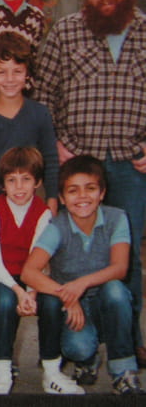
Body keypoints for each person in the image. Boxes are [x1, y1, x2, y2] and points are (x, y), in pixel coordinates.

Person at [35, 0, 146, 365]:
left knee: (126, 258)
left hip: (131, 165)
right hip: (77, 166)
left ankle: (127, 341)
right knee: (71, 253)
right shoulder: (66, 32)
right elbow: (42, 95)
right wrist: (56, 144)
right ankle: (77, 333)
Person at [22, 156, 145, 395]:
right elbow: (29, 272)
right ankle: (87, 360)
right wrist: (68, 296)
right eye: (73, 190)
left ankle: (123, 372)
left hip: (106, 301)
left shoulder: (116, 217)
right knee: (78, 348)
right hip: (73, 305)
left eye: (90, 189)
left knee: (116, 290)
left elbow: (120, 268)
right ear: (62, 198)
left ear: (102, 193)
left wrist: (81, 283)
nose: (82, 197)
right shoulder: (57, 227)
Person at [0, 147, 75, 394]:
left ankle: (51, 371)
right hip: (0, 276)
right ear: (2, 185)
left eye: (26, 179)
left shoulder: (43, 212)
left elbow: (38, 259)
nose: (19, 187)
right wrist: (18, 291)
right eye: (11, 180)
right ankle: (3, 371)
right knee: (5, 302)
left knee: (52, 301)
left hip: (32, 275)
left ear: (38, 182)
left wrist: (32, 292)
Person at [0, 32, 58, 213]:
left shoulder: (40, 113)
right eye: (2, 72)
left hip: (32, 198)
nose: (10, 79)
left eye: (17, 71)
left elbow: (51, 159)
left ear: (27, 73)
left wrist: (52, 197)